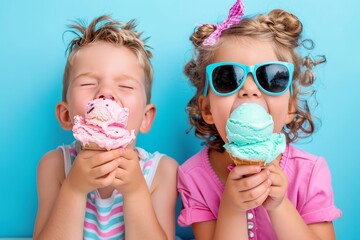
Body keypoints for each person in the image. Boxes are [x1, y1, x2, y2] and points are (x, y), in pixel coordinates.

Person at [177, 1, 341, 239]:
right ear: (207, 109)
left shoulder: (310, 172)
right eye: (228, 78)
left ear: (290, 107)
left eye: (272, 77)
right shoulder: (193, 176)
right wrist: (232, 208)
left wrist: (280, 205)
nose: (250, 89)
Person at [33, 15, 178, 240]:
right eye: (88, 83)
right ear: (66, 115)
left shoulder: (162, 172)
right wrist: (74, 188)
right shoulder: (54, 167)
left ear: (146, 118)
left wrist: (135, 191)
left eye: (126, 85)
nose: (106, 92)